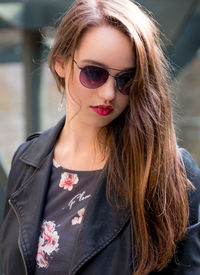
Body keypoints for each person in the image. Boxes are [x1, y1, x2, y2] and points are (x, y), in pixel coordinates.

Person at [1, 0, 200, 274]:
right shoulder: (26, 160)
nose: (108, 93)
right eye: (94, 73)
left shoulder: (172, 172)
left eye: (125, 79)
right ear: (60, 64)